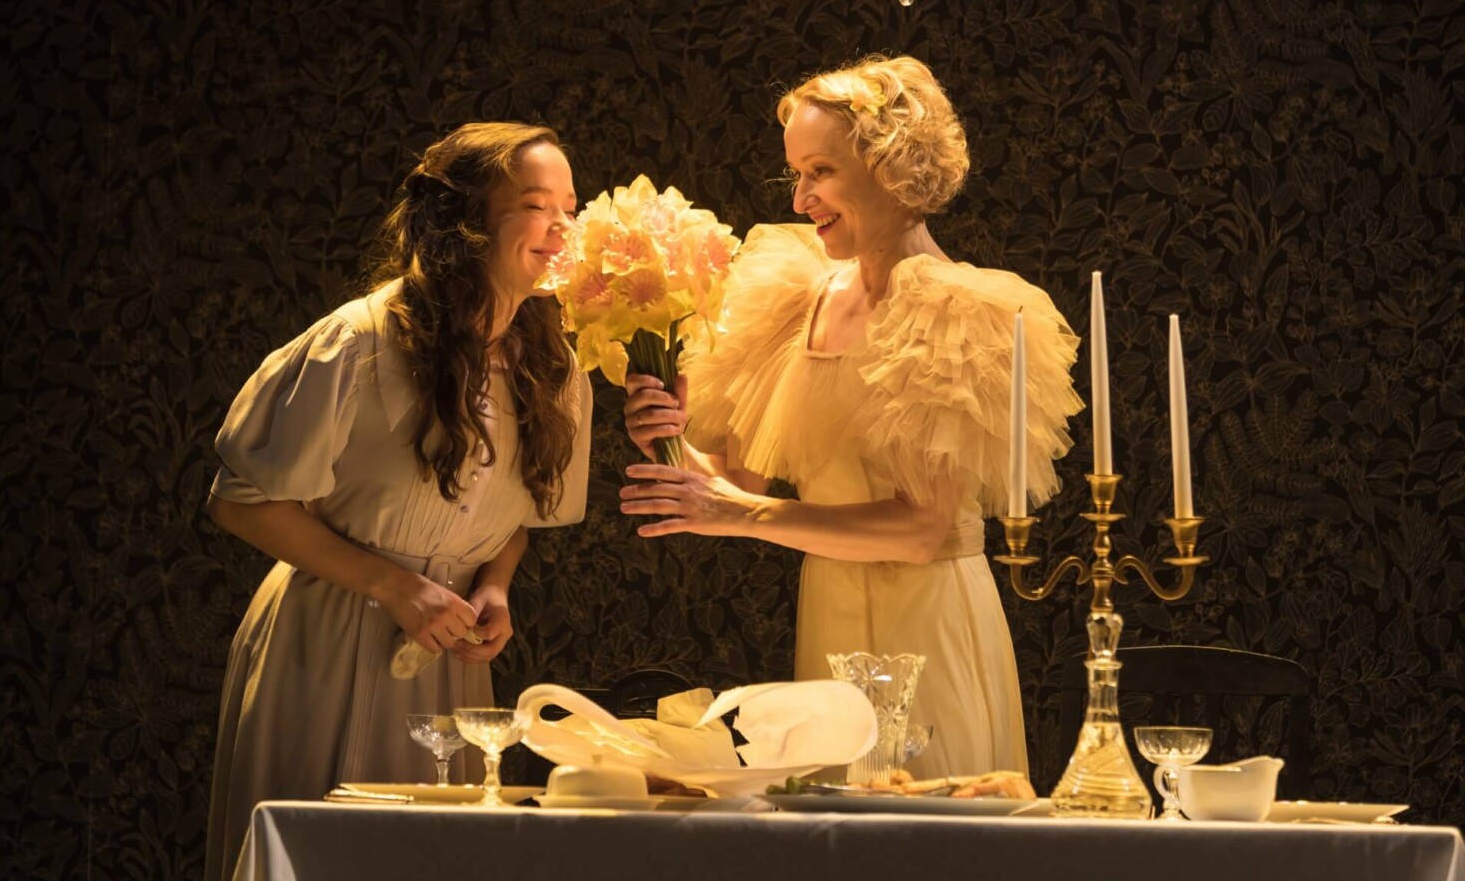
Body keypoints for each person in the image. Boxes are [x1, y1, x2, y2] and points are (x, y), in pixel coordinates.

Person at [620, 57, 1083, 779]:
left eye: (821, 171)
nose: (801, 197)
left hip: (929, 628)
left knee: (932, 823)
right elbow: (738, 477)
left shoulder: (958, 313)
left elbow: (920, 529)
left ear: (891, 166)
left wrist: (739, 514)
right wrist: (667, 437)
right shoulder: (794, 296)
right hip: (830, 617)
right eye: (797, 174)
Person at [203, 123, 591, 881]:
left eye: (569, 209)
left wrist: (494, 583)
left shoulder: (554, 367)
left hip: (448, 661)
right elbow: (240, 501)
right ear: (467, 220)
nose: (561, 229)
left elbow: (514, 520)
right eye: (535, 206)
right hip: (326, 646)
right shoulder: (359, 342)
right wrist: (392, 585)